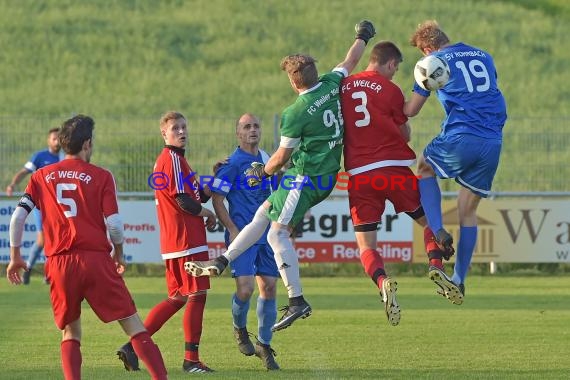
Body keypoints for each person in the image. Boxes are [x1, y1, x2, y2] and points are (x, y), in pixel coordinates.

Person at [185, 20, 376, 332]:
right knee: (261, 216)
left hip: (306, 178)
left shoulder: (295, 113)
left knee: (276, 234)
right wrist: (362, 36)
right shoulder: (331, 84)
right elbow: (350, 60)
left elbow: (281, 157)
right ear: (315, 74)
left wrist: (264, 170)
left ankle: (297, 299)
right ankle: (222, 261)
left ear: (293, 82)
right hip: (322, 175)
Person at [6, 115, 168, 380]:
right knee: (134, 326)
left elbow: (18, 217)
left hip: (59, 262)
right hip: (95, 260)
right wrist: (118, 251)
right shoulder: (102, 176)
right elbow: (114, 224)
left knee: (70, 332)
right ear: (88, 144)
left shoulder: (41, 176)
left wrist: (15, 257)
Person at [339, 41, 455, 325]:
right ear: (390, 64)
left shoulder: (343, 87)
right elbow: (404, 133)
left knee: (367, 246)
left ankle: (382, 282)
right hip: (394, 170)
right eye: (396, 69)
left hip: (360, 175)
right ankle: (435, 265)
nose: (394, 74)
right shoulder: (389, 90)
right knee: (429, 224)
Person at [404, 20, 507, 303]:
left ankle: (437, 229)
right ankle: (460, 278)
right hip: (493, 141)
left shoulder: (432, 63)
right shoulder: (483, 55)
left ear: (427, 48)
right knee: (467, 210)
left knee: (424, 167)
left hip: (463, 135)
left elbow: (411, 110)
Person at [117, 111, 217, 374]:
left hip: (177, 241)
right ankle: (191, 361)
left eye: (184, 127)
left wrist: (214, 178)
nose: (182, 132)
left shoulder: (178, 161)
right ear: (164, 133)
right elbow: (185, 203)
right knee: (197, 295)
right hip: (186, 239)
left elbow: (197, 197)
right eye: (175, 128)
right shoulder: (171, 159)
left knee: (177, 298)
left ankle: (132, 346)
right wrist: (208, 214)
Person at [210, 113, 280, 370]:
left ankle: (264, 344)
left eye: (256, 126)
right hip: (242, 236)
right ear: (238, 133)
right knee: (245, 289)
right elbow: (217, 198)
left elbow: (276, 193)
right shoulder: (232, 163)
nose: (253, 130)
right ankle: (239, 328)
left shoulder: (268, 160)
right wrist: (232, 229)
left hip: (267, 235)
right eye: (247, 126)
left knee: (270, 287)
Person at [6, 127, 62, 285]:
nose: (57, 141)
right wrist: (12, 184)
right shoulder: (40, 156)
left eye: (59, 138)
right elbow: (25, 171)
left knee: (57, 239)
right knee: (43, 239)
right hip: (41, 205)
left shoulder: (65, 157)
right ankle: (28, 269)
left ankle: (50, 274)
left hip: (59, 207)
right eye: (54, 138)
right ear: (48, 140)